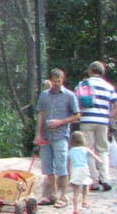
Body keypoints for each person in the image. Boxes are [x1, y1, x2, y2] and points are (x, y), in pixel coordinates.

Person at [32, 68, 81, 206]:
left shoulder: (69, 95)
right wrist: (38, 134)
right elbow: (40, 114)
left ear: (62, 80)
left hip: (61, 135)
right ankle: (52, 195)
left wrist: (61, 122)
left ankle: (63, 196)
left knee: (61, 165)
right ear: (50, 81)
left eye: (59, 81)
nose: (56, 84)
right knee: (47, 167)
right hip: (46, 136)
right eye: (54, 81)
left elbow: (77, 115)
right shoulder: (44, 95)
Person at [74, 61, 117, 192]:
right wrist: (108, 116)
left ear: (90, 71)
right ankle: (105, 178)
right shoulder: (108, 86)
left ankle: (93, 180)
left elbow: (75, 102)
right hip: (102, 122)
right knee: (102, 150)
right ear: (102, 72)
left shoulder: (82, 84)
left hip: (86, 120)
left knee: (88, 150)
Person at [66, 133, 93, 214]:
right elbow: (94, 156)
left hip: (75, 170)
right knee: (86, 184)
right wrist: (101, 161)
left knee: (75, 191)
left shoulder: (70, 151)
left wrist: (68, 173)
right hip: (84, 169)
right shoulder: (85, 149)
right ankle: (84, 201)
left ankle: (75, 210)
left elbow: (68, 163)